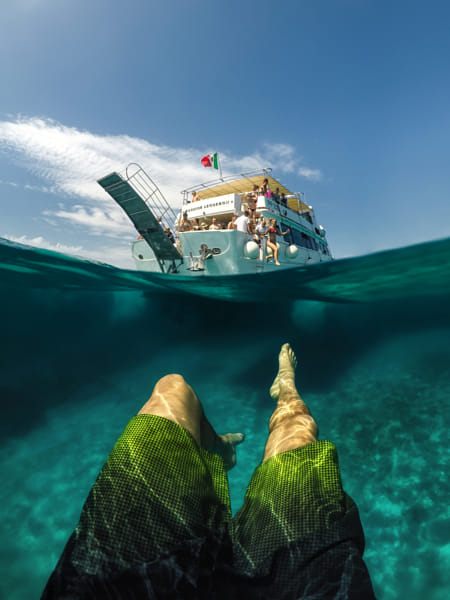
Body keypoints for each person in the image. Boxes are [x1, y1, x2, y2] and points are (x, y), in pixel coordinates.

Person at [42, 344, 375, 599]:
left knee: (174, 388)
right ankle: (284, 388)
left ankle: (218, 446)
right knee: (297, 428)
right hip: (301, 582)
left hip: (113, 580)